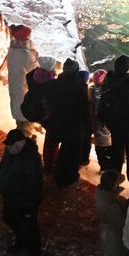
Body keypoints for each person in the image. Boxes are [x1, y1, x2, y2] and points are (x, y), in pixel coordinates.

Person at [0, 129, 43, 256]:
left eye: (12, 146)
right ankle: (21, 240)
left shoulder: (30, 159)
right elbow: (4, 166)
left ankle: (33, 251)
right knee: (9, 218)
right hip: (11, 197)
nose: (9, 148)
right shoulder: (11, 150)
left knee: (29, 227)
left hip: (24, 201)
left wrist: (29, 206)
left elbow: (33, 184)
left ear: (21, 143)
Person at [48, 59, 94, 188]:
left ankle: (58, 175)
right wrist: (89, 127)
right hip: (74, 128)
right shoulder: (80, 87)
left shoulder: (55, 84)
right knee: (72, 155)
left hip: (58, 124)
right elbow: (85, 110)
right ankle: (68, 179)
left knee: (63, 151)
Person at [98, 55, 129, 175]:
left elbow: (103, 101)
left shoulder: (108, 82)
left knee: (116, 153)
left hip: (114, 125)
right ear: (128, 68)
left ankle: (113, 179)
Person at [94, 169, 129, 256]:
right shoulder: (110, 205)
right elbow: (121, 222)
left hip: (108, 230)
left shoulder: (101, 193)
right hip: (114, 234)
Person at [6, 24, 39, 124]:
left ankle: (20, 127)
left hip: (15, 81)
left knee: (16, 103)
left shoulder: (13, 48)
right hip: (23, 84)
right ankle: (23, 130)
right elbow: (35, 68)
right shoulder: (24, 53)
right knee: (23, 107)